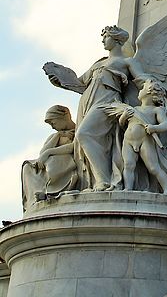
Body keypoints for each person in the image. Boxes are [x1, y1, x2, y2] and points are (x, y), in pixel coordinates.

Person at [47, 26, 146, 191]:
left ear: (116, 40)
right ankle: (99, 179)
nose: (102, 40)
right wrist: (61, 80)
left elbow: (143, 79)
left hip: (107, 102)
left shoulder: (127, 61)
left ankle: (103, 180)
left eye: (106, 37)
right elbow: (80, 84)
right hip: (89, 104)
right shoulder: (99, 63)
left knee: (83, 134)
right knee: (90, 138)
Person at [104, 78, 167, 195]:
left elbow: (166, 125)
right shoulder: (135, 109)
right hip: (128, 140)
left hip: (145, 140)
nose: (139, 90)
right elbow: (122, 125)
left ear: (149, 92)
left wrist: (154, 128)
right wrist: (123, 116)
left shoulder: (157, 110)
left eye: (142, 88)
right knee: (128, 165)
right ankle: (128, 188)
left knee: (153, 168)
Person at [21, 105, 77, 210]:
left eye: (53, 123)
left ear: (64, 116)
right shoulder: (56, 135)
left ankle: (51, 192)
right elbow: (42, 153)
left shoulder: (79, 129)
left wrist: (50, 152)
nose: (52, 127)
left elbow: (74, 147)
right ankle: (35, 200)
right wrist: (58, 136)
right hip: (52, 162)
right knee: (27, 167)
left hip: (66, 162)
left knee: (52, 162)